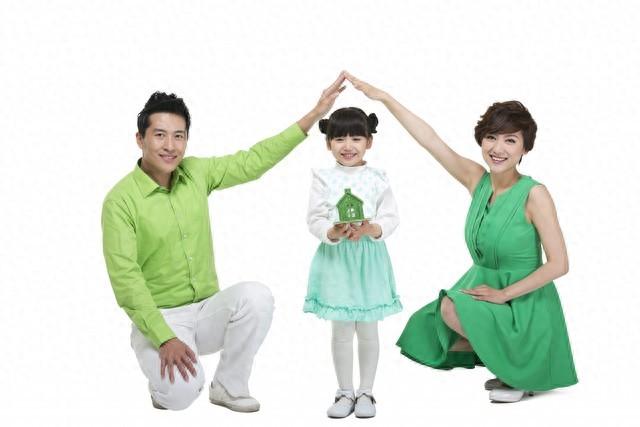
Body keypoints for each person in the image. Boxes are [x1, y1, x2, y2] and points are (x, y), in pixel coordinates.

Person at [101, 74, 346, 411]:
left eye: (178, 136)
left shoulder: (196, 173)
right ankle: (161, 383)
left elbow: (253, 161)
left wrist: (315, 115)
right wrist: (164, 336)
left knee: (257, 297)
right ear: (139, 139)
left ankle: (228, 386)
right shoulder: (120, 201)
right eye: (159, 135)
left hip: (206, 310)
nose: (170, 146)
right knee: (180, 395)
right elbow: (126, 280)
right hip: (160, 318)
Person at [345, 72, 577, 403]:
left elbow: (559, 264)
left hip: (525, 302)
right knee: (431, 328)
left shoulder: (535, 194)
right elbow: (431, 141)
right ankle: (511, 365)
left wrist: (503, 294)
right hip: (485, 286)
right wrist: (385, 98)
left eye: (510, 141)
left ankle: (521, 372)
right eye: (491, 138)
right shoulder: (477, 180)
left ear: (525, 148)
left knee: (452, 308)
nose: (498, 149)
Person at [304, 107, 401, 418]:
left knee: (369, 329)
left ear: (369, 142)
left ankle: (367, 392)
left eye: (356, 138)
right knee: (342, 330)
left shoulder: (377, 178)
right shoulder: (323, 178)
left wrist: (372, 229)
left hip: (369, 261)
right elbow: (315, 218)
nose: (348, 146)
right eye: (339, 139)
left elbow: (391, 217)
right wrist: (331, 231)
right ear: (328, 143)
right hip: (337, 261)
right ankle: (345, 391)